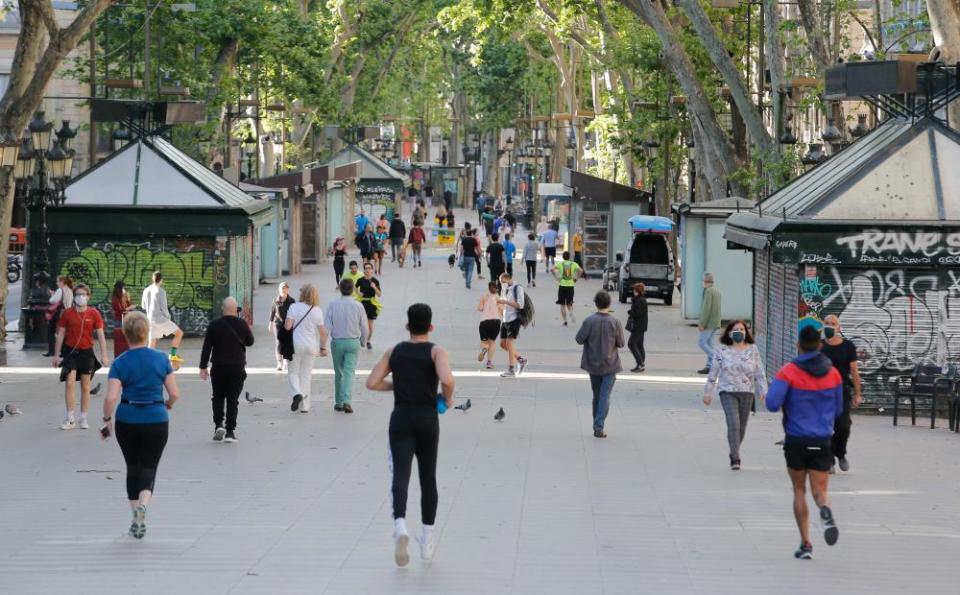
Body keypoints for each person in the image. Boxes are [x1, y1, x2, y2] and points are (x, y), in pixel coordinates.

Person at [365, 303, 455, 566]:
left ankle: (400, 525)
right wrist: (447, 399)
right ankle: (427, 540)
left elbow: (372, 383)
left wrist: (397, 386)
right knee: (428, 477)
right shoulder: (436, 351)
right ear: (431, 326)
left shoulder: (395, 351)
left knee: (400, 474)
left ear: (407, 326)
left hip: (401, 418)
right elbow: (447, 380)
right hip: (427, 419)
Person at [766, 325, 843, 560]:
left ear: (798, 345)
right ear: (820, 345)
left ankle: (806, 544)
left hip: (796, 440)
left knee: (799, 490)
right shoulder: (834, 374)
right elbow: (839, 409)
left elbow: (771, 403)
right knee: (819, 491)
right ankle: (825, 509)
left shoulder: (788, 372)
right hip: (822, 440)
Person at [100, 311, 179, 540]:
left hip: (128, 420)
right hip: (156, 418)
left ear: (126, 335)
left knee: (132, 467)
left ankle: (135, 513)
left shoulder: (120, 362)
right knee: (149, 467)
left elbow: (110, 398)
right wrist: (168, 405)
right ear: (147, 333)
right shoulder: (161, 359)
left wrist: (107, 420)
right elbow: (174, 393)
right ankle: (144, 506)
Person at [702, 320, 768, 470]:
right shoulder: (722, 350)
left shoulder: (753, 349)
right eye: (735, 329)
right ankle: (735, 457)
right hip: (727, 391)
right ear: (730, 333)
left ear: (746, 332)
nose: (739, 331)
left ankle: (734, 450)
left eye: (742, 329)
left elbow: (759, 372)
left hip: (747, 392)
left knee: (741, 428)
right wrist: (708, 392)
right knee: (734, 423)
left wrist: (764, 391)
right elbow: (713, 372)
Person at [54, 283, 110, 430]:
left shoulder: (94, 313)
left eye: (83, 294)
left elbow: (101, 336)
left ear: (88, 296)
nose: (81, 297)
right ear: (74, 296)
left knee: (85, 387)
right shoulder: (67, 313)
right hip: (70, 352)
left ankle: (83, 418)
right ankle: (69, 418)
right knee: (70, 383)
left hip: (87, 353)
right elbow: (60, 334)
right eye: (78, 294)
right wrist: (56, 355)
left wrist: (104, 355)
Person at [199, 297, 254, 443]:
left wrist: (203, 367)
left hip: (219, 367)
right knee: (232, 399)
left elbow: (206, 348)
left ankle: (218, 425)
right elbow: (250, 342)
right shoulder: (242, 324)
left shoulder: (214, 325)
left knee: (217, 396)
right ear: (236, 310)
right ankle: (230, 432)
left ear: (223, 309)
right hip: (237, 367)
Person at [575, 290, 625, 438]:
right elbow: (621, 343)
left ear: (596, 304)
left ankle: (597, 424)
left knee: (597, 395)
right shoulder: (615, 322)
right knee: (604, 396)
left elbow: (579, 339)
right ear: (609, 304)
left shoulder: (589, 321)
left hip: (593, 364)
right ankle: (599, 426)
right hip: (610, 365)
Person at [821, 315, 863, 473]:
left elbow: (854, 371)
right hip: (822, 393)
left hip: (842, 391)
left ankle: (841, 453)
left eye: (833, 324)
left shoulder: (848, 346)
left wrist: (858, 394)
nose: (830, 326)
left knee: (843, 426)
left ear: (839, 327)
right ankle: (829, 460)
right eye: (827, 324)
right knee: (826, 426)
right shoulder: (818, 346)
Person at [325, 278, 369, 413]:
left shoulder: (333, 304)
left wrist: (323, 343)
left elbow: (327, 326)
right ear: (353, 289)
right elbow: (365, 327)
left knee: (339, 373)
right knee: (349, 372)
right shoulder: (358, 305)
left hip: (337, 342)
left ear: (339, 288)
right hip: (353, 342)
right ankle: (347, 401)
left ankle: (338, 402)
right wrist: (363, 341)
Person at [285, 284, 328, 414]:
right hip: (311, 346)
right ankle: (305, 407)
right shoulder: (317, 310)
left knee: (293, 372)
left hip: (296, 345)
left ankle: (297, 393)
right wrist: (323, 348)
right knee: (306, 375)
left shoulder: (293, 307)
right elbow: (323, 332)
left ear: (302, 294)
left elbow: (287, 327)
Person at [141, 271, 184, 365]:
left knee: (152, 342)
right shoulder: (161, 291)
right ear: (161, 280)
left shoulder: (146, 290)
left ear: (152, 279)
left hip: (150, 319)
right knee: (179, 333)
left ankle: (146, 362)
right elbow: (164, 308)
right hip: (160, 319)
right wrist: (168, 318)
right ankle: (172, 355)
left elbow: (143, 306)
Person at [497, 272, 528, 378]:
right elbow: (502, 301)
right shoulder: (505, 288)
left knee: (509, 344)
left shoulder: (518, 288)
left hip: (514, 319)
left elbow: (520, 305)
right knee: (502, 344)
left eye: (503, 282)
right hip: (505, 319)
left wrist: (505, 302)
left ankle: (511, 369)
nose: (502, 284)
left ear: (508, 278)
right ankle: (520, 360)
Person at [697, 272, 722, 374]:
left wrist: (702, 323)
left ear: (706, 281)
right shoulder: (717, 290)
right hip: (716, 321)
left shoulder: (708, 291)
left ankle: (717, 359)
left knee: (702, 343)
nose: (702, 283)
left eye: (703, 281)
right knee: (710, 343)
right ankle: (709, 366)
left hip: (709, 323)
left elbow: (706, 309)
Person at [269, 282, 295, 371]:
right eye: (282, 288)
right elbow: (272, 312)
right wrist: (270, 323)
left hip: (288, 324)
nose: (284, 290)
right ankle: (279, 362)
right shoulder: (275, 301)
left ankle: (285, 361)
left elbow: (295, 313)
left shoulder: (292, 301)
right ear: (279, 290)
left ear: (288, 289)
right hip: (278, 324)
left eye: (286, 288)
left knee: (287, 342)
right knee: (278, 342)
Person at [356, 262, 382, 350]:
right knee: (362, 324)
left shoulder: (375, 281)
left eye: (369, 268)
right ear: (364, 270)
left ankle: (368, 341)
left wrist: (374, 287)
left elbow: (379, 294)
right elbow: (355, 288)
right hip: (362, 303)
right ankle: (362, 337)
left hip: (371, 304)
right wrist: (358, 293)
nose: (367, 270)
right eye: (366, 268)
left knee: (370, 325)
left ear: (372, 270)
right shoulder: (360, 280)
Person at [45, 275, 73, 356]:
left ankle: (51, 351)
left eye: (57, 281)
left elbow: (52, 301)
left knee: (51, 331)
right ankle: (64, 352)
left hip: (59, 314)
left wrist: (52, 295)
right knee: (63, 332)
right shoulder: (69, 290)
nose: (56, 283)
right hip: (67, 312)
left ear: (62, 282)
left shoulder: (60, 290)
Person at [477, 282, 503, 370]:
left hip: (484, 322)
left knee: (484, 342)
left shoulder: (484, 296)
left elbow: (480, 308)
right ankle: (489, 362)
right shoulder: (499, 298)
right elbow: (502, 311)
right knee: (492, 342)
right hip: (496, 322)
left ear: (488, 288)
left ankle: (484, 348)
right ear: (497, 289)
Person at [553, 251, 583, 327]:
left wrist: (557, 277)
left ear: (563, 257)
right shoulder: (573, 264)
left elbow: (552, 269)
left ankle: (565, 321)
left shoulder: (560, 264)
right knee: (569, 303)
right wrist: (576, 278)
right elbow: (581, 271)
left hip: (562, 286)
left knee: (562, 304)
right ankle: (571, 312)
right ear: (569, 257)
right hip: (570, 286)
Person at [626, 283, 648, 372]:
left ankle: (640, 363)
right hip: (641, 325)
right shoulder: (640, 300)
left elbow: (638, 314)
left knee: (631, 344)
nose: (633, 292)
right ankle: (641, 363)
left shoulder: (639, 301)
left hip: (638, 326)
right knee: (639, 345)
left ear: (637, 291)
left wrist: (630, 312)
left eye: (634, 290)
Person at [110, 281, 136, 357]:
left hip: (126, 319)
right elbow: (119, 310)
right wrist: (129, 308)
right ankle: (119, 355)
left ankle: (126, 353)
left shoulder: (125, 296)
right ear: (119, 288)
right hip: (118, 320)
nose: (125, 289)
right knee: (119, 340)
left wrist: (129, 305)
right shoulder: (115, 298)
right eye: (123, 288)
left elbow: (128, 305)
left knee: (126, 339)